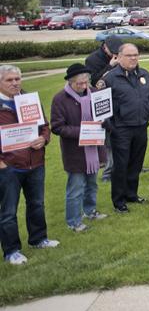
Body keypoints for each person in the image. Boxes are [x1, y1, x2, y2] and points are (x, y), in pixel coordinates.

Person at [0, 65, 59, 265]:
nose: (15, 83)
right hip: (9, 166)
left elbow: (44, 126)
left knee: (37, 204)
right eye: (9, 80)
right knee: (8, 211)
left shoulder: (29, 100)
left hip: (35, 162)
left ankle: (38, 239)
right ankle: (11, 251)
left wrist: (44, 139)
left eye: (17, 79)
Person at [102, 44, 149, 213]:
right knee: (121, 166)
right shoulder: (110, 79)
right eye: (129, 55)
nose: (133, 58)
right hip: (121, 129)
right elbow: (101, 105)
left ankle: (131, 194)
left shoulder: (145, 76)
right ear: (119, 57)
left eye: (135, 55)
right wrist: (110, 125)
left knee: (136, 163)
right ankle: (119, 201)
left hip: (141, 126)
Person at [50, 64, 108, 232]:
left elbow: (106, 116)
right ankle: (74, 221)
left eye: (86, 82)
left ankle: (90, 211)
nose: (84, 86)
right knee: (75, 188)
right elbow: (57, 127)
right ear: (70, 82)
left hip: (94, 149)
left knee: (92, 184)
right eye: (79, 84)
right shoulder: (60, 99)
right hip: (75, 151)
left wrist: (104, 122)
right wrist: (84, 130)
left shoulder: (96, 94)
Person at [85, 35, 123, 183]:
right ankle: (108, 171)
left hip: (117, 97)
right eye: (111, 51)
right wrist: (110, 66)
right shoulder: (92, 60)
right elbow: (94, 82)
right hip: (102, 101)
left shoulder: (119, 54)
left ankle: (127, 165)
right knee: (108, 140)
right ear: (105, 46)